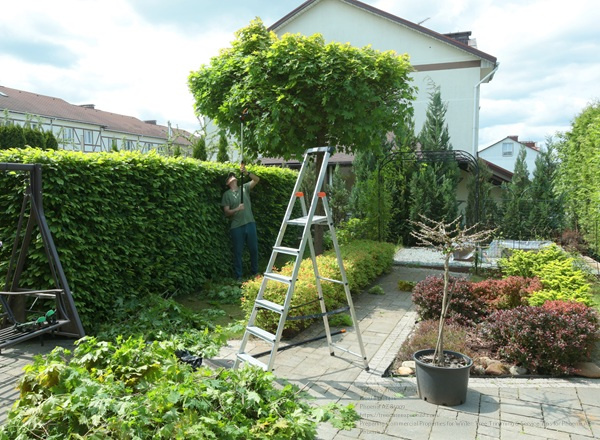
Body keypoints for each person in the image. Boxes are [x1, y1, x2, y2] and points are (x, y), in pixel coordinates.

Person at [221, 163, 260, 280]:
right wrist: (237, 208)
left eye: (234, 176)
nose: (233, 177)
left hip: (250, 223)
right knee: (238, 252)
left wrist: (247, 173)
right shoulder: (226, 195)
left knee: (254, 249)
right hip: (237, 226)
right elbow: (226, 212)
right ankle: (239, 276)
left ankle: (255, 272)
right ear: (228, 183)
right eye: (230, 177)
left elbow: (257, 179)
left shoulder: (244, 188)